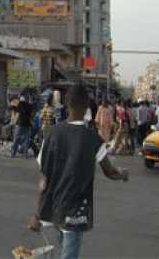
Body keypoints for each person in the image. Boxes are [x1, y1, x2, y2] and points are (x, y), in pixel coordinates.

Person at [29, 84, 129, 258]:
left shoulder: (51, 134)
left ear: (67, 103)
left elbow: (43, 179)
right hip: (76, 212)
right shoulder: (92, 139)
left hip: (54, 208)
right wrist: (122, 174)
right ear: (86, 106)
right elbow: (109, 171)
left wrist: (37, 214)